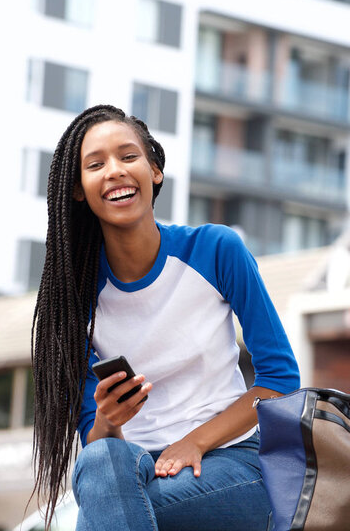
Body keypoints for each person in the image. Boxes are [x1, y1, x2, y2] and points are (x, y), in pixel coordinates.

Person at [31, 104, 300, 531]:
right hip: (132, 469)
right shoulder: (75, 303)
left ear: (154, 170)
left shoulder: (215, 249)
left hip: (234, 462)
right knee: (101, 461)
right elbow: (96, 445)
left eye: (129, 156)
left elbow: (280, 380)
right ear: (79, 189)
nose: (115, 170)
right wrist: (108, 419)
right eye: (96, 164)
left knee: (105, 512)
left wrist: (193, 442)